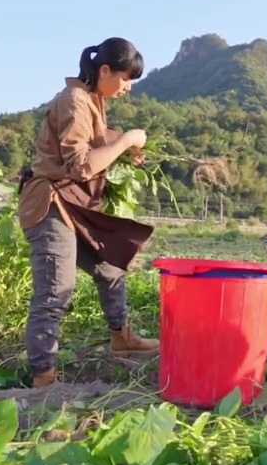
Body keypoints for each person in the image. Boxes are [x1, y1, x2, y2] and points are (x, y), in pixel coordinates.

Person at [17, 37, 161, 389]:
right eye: (125, 78)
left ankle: (121, 337)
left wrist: (122, 150)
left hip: (74, 207)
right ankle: (43, 378)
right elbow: (81, 166)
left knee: (110, 268)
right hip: (51, 204)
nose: (128, 87)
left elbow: (98, 143)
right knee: (55, 292)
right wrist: (125, 141)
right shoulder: (74, 101)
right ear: (105, 69)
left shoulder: (94, 101)